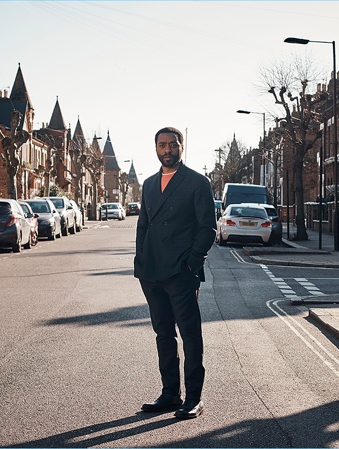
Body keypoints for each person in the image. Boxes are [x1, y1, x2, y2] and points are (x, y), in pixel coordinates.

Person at [134, 126, 216, 419]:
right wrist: (140, 260)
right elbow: (143, 225)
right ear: (155, 148)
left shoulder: (197, 182)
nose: (167, 150)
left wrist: (191, 264)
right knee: (163, 334)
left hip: (180, 272)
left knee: (190, 335)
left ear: (182, 146)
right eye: (161, 145)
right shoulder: (148, 184)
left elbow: (208, 228)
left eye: (172, 144)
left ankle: (193, 398)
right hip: (152, 271)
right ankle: (170, 393)